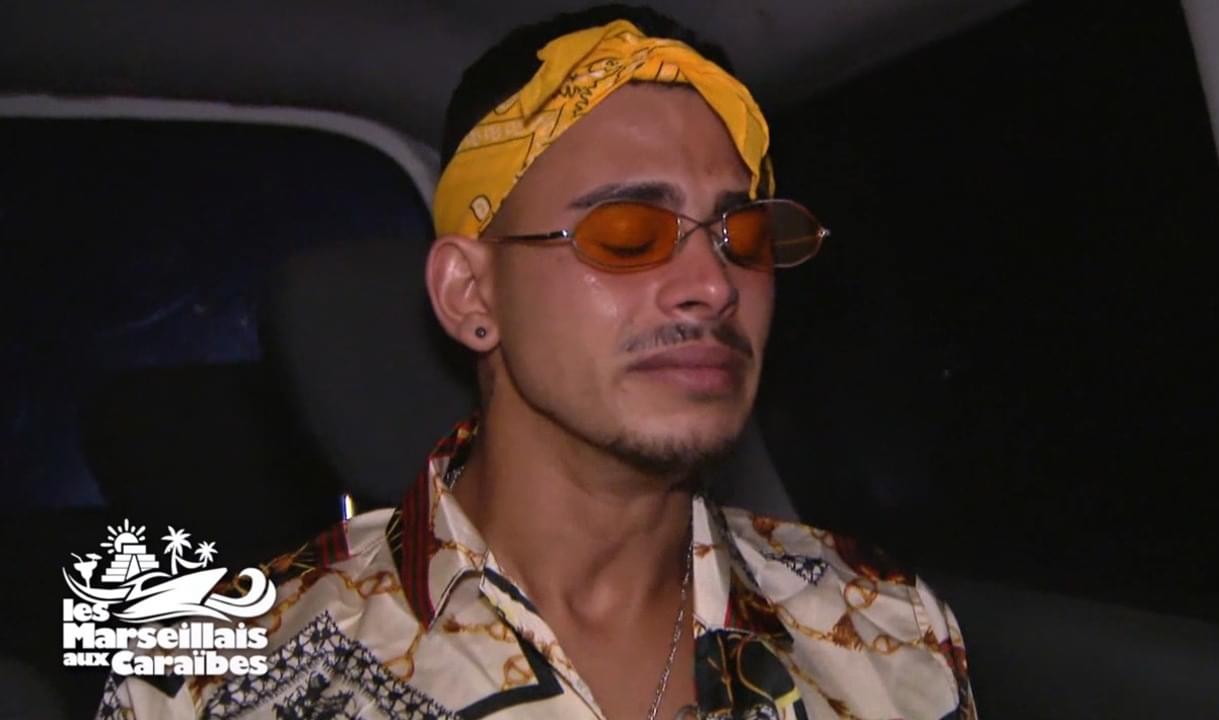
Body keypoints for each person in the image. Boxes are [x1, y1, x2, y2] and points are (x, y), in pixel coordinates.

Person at [99, 5, 975, 719]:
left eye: (740, 234)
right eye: (626, 233)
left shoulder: (889, 629)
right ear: (471, 295)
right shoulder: (212, 682)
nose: (713, 285)